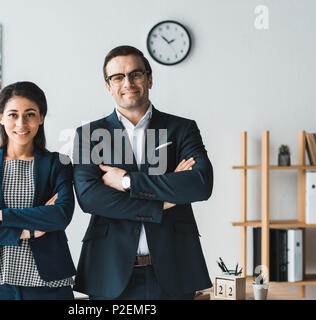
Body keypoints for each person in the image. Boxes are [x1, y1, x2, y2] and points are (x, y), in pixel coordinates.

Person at [73, 45, 213, 300]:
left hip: (176, 268)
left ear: (149, 79)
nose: (128, 82)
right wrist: (163, 198)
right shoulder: (88, 135)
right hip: (109, 271)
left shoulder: (182, 129)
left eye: (136, 74)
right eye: (118, 77)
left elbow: (200, 184)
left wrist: (126, 181)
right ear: (108, 86)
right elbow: (89, 198)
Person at [0, 81, 76, 300]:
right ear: (0, 117)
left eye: (30, 114)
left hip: (49, 284)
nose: (21, 122)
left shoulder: (59, 163)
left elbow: (60, 216)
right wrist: (25, 232)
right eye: (13, 114)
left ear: (41, 118)